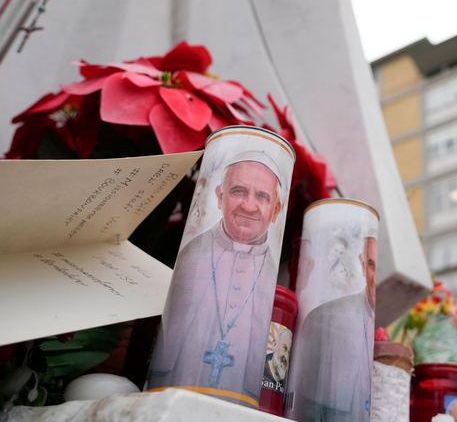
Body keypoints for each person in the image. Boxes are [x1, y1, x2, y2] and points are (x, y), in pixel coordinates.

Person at [147, 150, 284, 408]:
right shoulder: (193, 254)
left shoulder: (271, 270)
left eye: (262, 196)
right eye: (238, 191)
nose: (249, 206)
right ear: (220, 196)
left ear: (275, 210)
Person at [289, 230, 377, 422]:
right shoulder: (324, 317)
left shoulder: (380, 320)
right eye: (371, 266)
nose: (375, 279)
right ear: (362, 264)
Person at [263, 326, 292, 392]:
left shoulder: (288, 380)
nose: (286, 357)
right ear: (274, 345)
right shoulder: (259, 368)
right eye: (284, 348)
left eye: (289, 353)